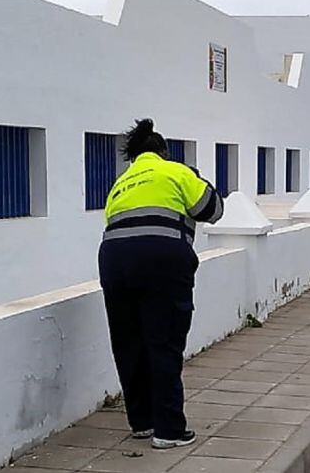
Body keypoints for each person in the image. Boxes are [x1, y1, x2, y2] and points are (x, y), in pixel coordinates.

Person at [98, 119, 224, 450]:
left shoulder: (120, 184)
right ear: (162, 151)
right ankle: (168, 430)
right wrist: (199, 180)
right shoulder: (176, 171)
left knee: (129, 341)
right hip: (162, 259)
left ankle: (142, 422)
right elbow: (212, 210)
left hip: (113, 260)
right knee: (163, 341)